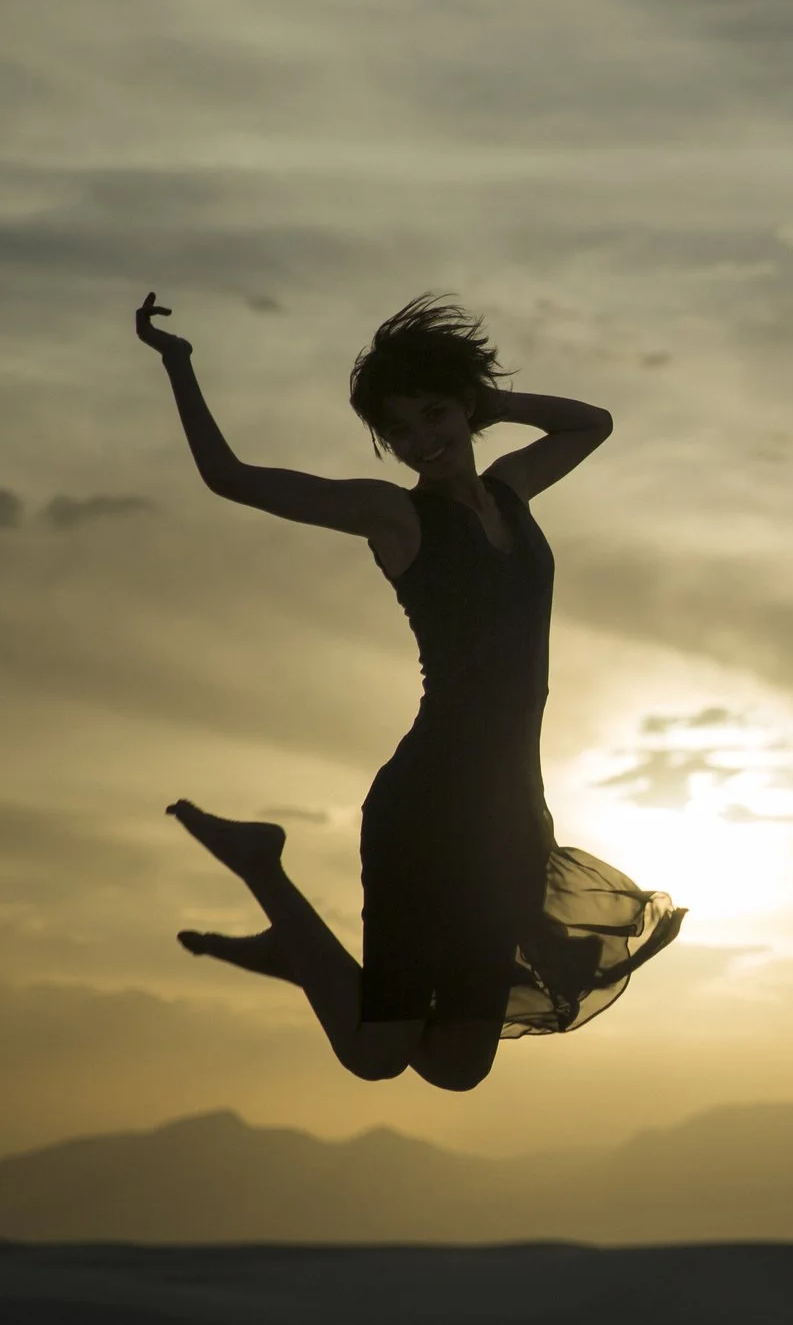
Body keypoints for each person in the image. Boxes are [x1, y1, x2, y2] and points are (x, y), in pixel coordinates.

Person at [136, 290, 682, 1089]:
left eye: (435, 415)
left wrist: (489, 401)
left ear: (462, 407)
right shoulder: (394, 515)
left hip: (511, 810)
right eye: (400, 430)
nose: (422, 441)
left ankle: (298, 953)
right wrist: (179, 366)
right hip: (427, 806)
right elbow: (230, 478)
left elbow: (591, 423)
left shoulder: (512, 490)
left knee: (458, 1066)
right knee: (376, 1055)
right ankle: (263, 867)